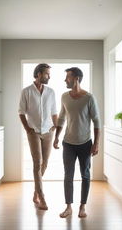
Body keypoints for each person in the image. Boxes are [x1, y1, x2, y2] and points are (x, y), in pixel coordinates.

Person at [53, 67, 100, 218]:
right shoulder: (64, 97)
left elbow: (97, 121)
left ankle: (83, 206)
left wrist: (96, 143)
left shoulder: (89, 98)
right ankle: (68, 207)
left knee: (85, 175)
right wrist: (56, 137)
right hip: (68, 143)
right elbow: (61, 118)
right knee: (68, 175)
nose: (65, 80)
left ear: (76, 79)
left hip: (85, 143)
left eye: (68, 77)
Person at [19, 63, 57, 210]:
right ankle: (41, 197)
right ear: (39, 74)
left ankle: (35, 191)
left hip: (48, 131)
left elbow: (54, 111)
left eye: (49, 74)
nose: (49, 76)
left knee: (45, 164)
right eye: (47, 74)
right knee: (37, 163)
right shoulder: (26, 91)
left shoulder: (51, 92)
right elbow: (21, 112)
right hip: (33, 131)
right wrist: (27, 128)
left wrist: (55, 126)